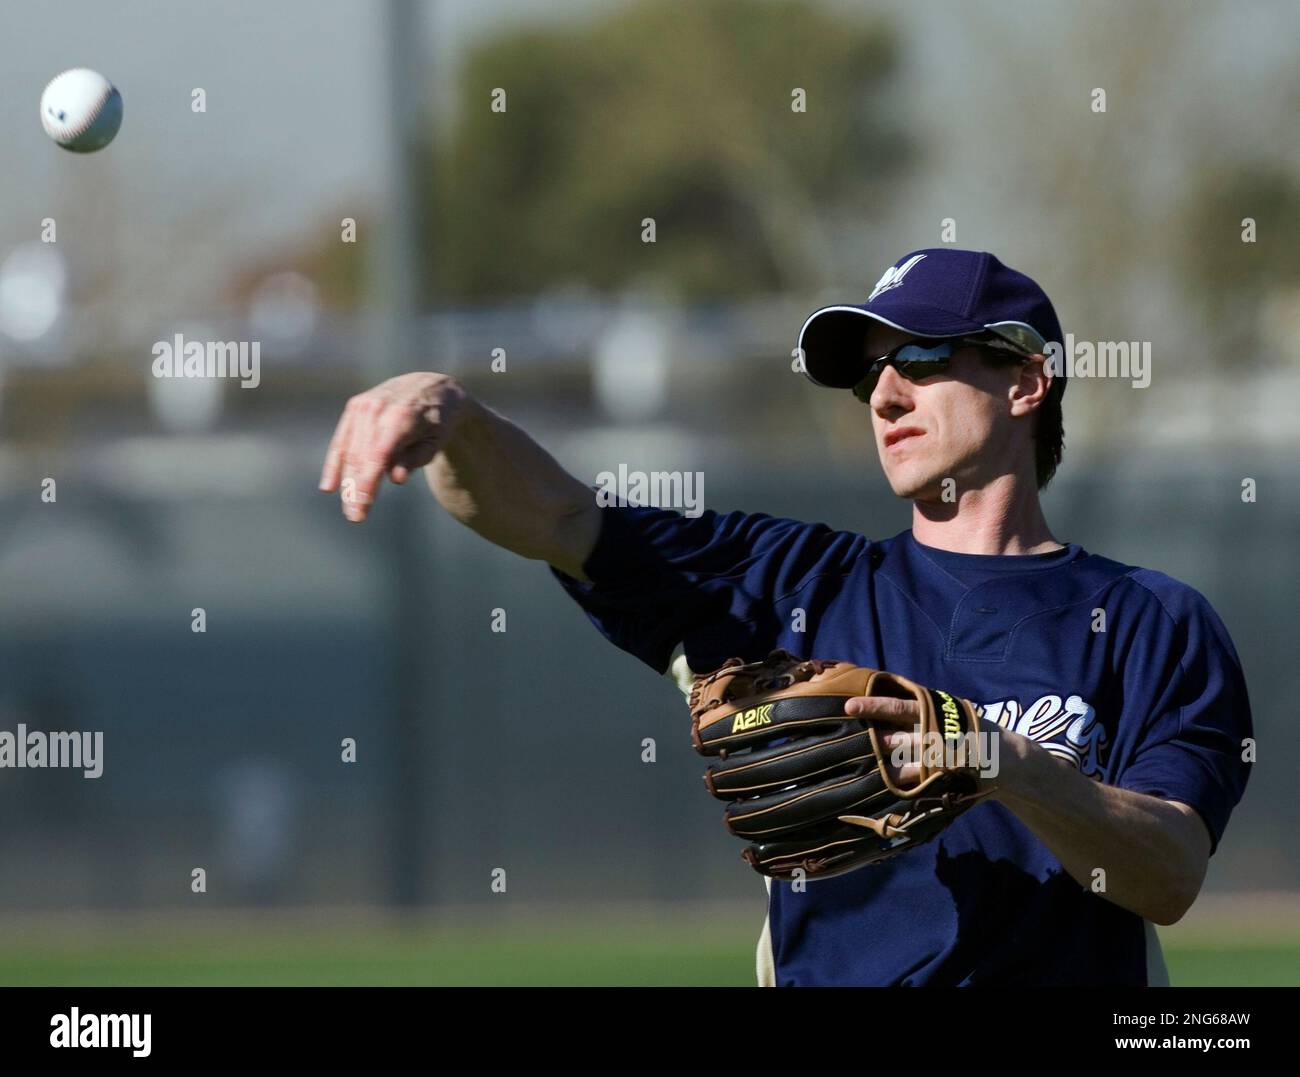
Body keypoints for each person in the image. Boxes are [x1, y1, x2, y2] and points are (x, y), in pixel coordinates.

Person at [319, 248, 1252, 986]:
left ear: (1024, 381)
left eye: (922, 357)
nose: (884, 394)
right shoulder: (788, 585)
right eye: (868, 375)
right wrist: (454, 418)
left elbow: (1166, 874)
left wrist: (998, 761)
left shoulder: (1150, 621)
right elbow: (556, 517)